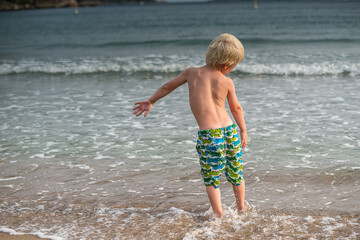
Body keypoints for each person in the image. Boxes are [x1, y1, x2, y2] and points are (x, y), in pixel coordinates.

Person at [133, 33, 248, 218]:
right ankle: (241, 209)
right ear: (227, 64)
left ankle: (218, 214)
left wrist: (151, 101)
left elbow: (166, 87)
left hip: (210, 135)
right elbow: (236, 108)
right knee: (236, 173)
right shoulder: (227, 81)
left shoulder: (191, 73)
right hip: (230, 131)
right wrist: (242, 129)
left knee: (212, 179)